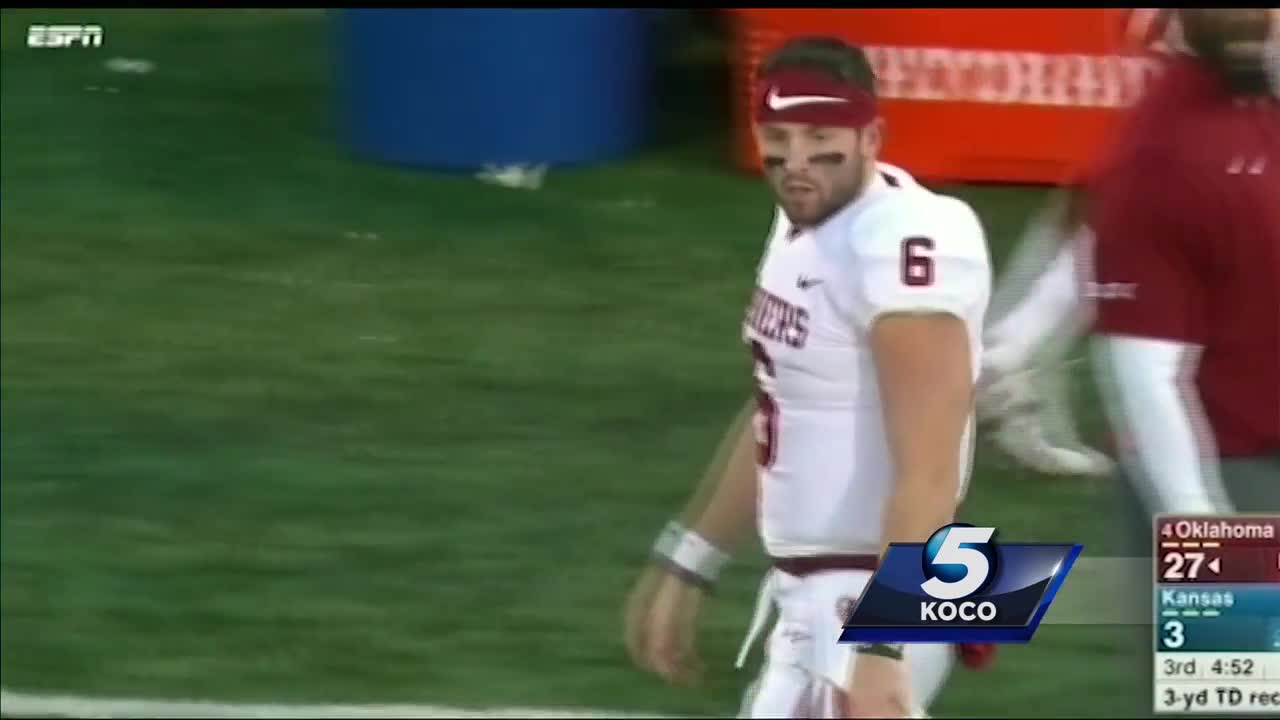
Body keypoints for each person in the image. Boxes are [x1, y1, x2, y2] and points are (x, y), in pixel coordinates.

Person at [624, 36, 993, 718]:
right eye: (778, 135)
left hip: (877, 590)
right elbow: (782, 403)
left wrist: (886, 650)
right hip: (817, 587)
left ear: (870, 135)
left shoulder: (907, 241)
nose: (795, 160)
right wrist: (690, 558)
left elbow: (931, 472)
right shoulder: (806, 218)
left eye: (820, 135)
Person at [1088, 7, 1280, 517]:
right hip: (1237, 475)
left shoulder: (1254, 112)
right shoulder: (1164, 161)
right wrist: (1198, 522)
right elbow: (1149, 375)